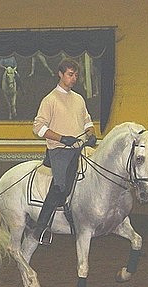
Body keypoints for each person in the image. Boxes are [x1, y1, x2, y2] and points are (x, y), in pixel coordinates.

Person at [31, 58, 97, 245]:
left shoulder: (78, 99)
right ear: (60, 74)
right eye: (70, 74)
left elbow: (87, 122)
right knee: (61, 186)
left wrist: (91, 134)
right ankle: (40, 228)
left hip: (80, 148)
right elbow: (38, 128)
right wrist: (61, 138)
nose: (74, 78)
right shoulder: (50, 100)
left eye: (76, 75)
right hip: (60, 151)